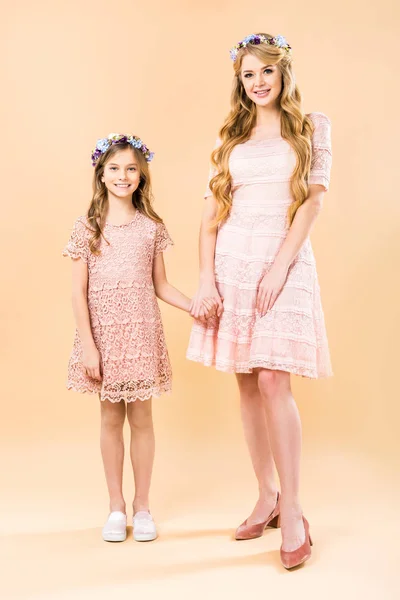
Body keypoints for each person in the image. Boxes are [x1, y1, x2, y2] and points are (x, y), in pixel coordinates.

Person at [187, 33, 332, 569]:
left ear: (283, 72)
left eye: (265, 71)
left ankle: (293, 509)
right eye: (247, 75)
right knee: (247, 379)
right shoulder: (231, 138)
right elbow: (209, 219)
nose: (257, 82)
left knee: (275, 378)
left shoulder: (313, 127)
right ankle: (265, 494)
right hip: (233, 262)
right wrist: (206, 281)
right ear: (239, 81)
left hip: (285, 262)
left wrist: (279, 266)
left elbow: (312, 206)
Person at [63, 133, 192, 543]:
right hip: (104, 336)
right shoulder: (87, 227)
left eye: (131, 169)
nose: (123, 176)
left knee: (143, 420)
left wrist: (196, 306)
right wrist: (88, 343)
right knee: (109, 419)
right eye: (115, 169)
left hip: (140, 333)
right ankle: (116, 507)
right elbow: (77, 291)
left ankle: (143, 506)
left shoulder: (151, 228)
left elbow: (162, 285)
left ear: (141, 175)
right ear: (101, 174)